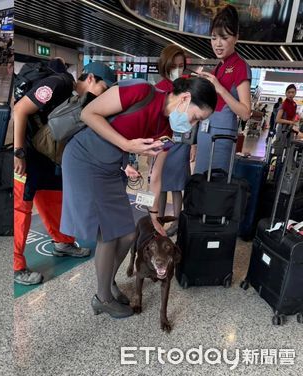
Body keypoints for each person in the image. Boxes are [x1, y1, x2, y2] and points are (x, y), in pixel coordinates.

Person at [61, 77, 217, 318]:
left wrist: (154, 217)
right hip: (85, 160)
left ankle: (107, 282)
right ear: (185, 99)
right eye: (196, 117)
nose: (193, 125)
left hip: (112, 169)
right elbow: (89, 114)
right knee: (108, 234)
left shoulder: (166, 133)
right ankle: (102, 298)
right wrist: (127, 144)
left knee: (129, 233)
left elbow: (155, 177)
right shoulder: (141, 90)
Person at [13, 58, 91, 286]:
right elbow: (19, 110)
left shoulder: (67, 91)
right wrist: (19, 153)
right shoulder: (61, 82)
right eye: (103, 87)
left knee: (54, 197)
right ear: (91, 79)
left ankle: (62, 243)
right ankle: (17, 266)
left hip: (45, 152)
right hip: (27, 153)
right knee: (21, 207)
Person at [193, 5, 251, 174]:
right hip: (205, 133)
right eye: (213, 38)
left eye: (224, 37)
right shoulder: (218, 67)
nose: (217, 44)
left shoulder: (240, 66)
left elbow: (246, 113)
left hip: (221, 138)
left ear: (236, 38)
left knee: (215, 188)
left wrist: (220, 88)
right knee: (200, 184)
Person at [154, 44, 190, 236]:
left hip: (180, 141)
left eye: (181, 65)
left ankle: (176, 221)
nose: (178, 69)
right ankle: (158, 219)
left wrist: (192, 144)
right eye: (174, 66)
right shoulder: (159, 88)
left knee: (176, 185)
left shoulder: (185, 87)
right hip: (161, 142)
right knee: (159, 184)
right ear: (165, 65)